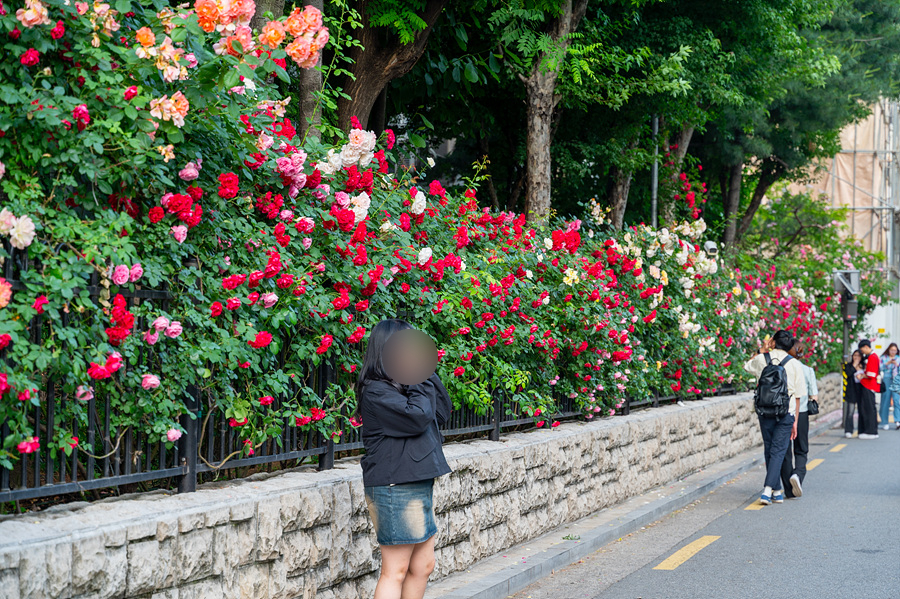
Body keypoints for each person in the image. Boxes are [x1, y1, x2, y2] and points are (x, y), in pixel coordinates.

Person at [355, 319, 453, 599]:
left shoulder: (404, 386)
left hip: (414, 482)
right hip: (394, 487)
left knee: (423, 565)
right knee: (395, 570)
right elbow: (418, 417)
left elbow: (441, 411)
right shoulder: (376, 391)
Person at [744, 330, 805, 505]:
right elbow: (798, 396)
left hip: (765, 410)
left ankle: (776, 490)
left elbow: (747, 367)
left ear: (773, 341)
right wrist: (795, 421)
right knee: (778, 450)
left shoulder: (762, 359)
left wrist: (763, 350)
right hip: (786, 412)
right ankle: (768, 490)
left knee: (770, 448)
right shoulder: (794, 364)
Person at [781, 340, 816, 498]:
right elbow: (813, 396)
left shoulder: (782, 368)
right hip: (801, 413)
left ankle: (788, 488)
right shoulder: (808, 370)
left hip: (785, 413)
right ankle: (798, 475)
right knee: (801, 449)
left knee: (785, 450)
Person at [857, 339, 880, 439]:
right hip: (869, 385)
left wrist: (862, 375)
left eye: (862, 350)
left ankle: (870, 431)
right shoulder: (872, 356)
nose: (862, 352)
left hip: (868, 385)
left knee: (868, 409)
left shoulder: (872, 357)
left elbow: (871, 374)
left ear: (866, 347)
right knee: (869, 408)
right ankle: (871, 431)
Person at [879, 343, 900, 431]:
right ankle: (884, 422)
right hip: (887, 378)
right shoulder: (883, 358)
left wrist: (897, 365)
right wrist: (887, 364)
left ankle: (897, 420)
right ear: (888, 350)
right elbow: (879, 368)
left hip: (896, 379)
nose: (893, 352)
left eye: (895, 350)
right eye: (891, 350)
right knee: (885, 400)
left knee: (896, 400)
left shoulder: (898, 358)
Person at [843, 350, 863, 438]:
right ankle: (848, 430)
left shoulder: (863, 366)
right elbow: (848, 373)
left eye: (858, 356)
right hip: (851, 391)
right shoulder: (848, 365)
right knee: (850, 412)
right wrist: (854, 366)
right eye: (855, 355)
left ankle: (861, 430)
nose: (856, 357)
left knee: (861, 412)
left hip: (861, 391)